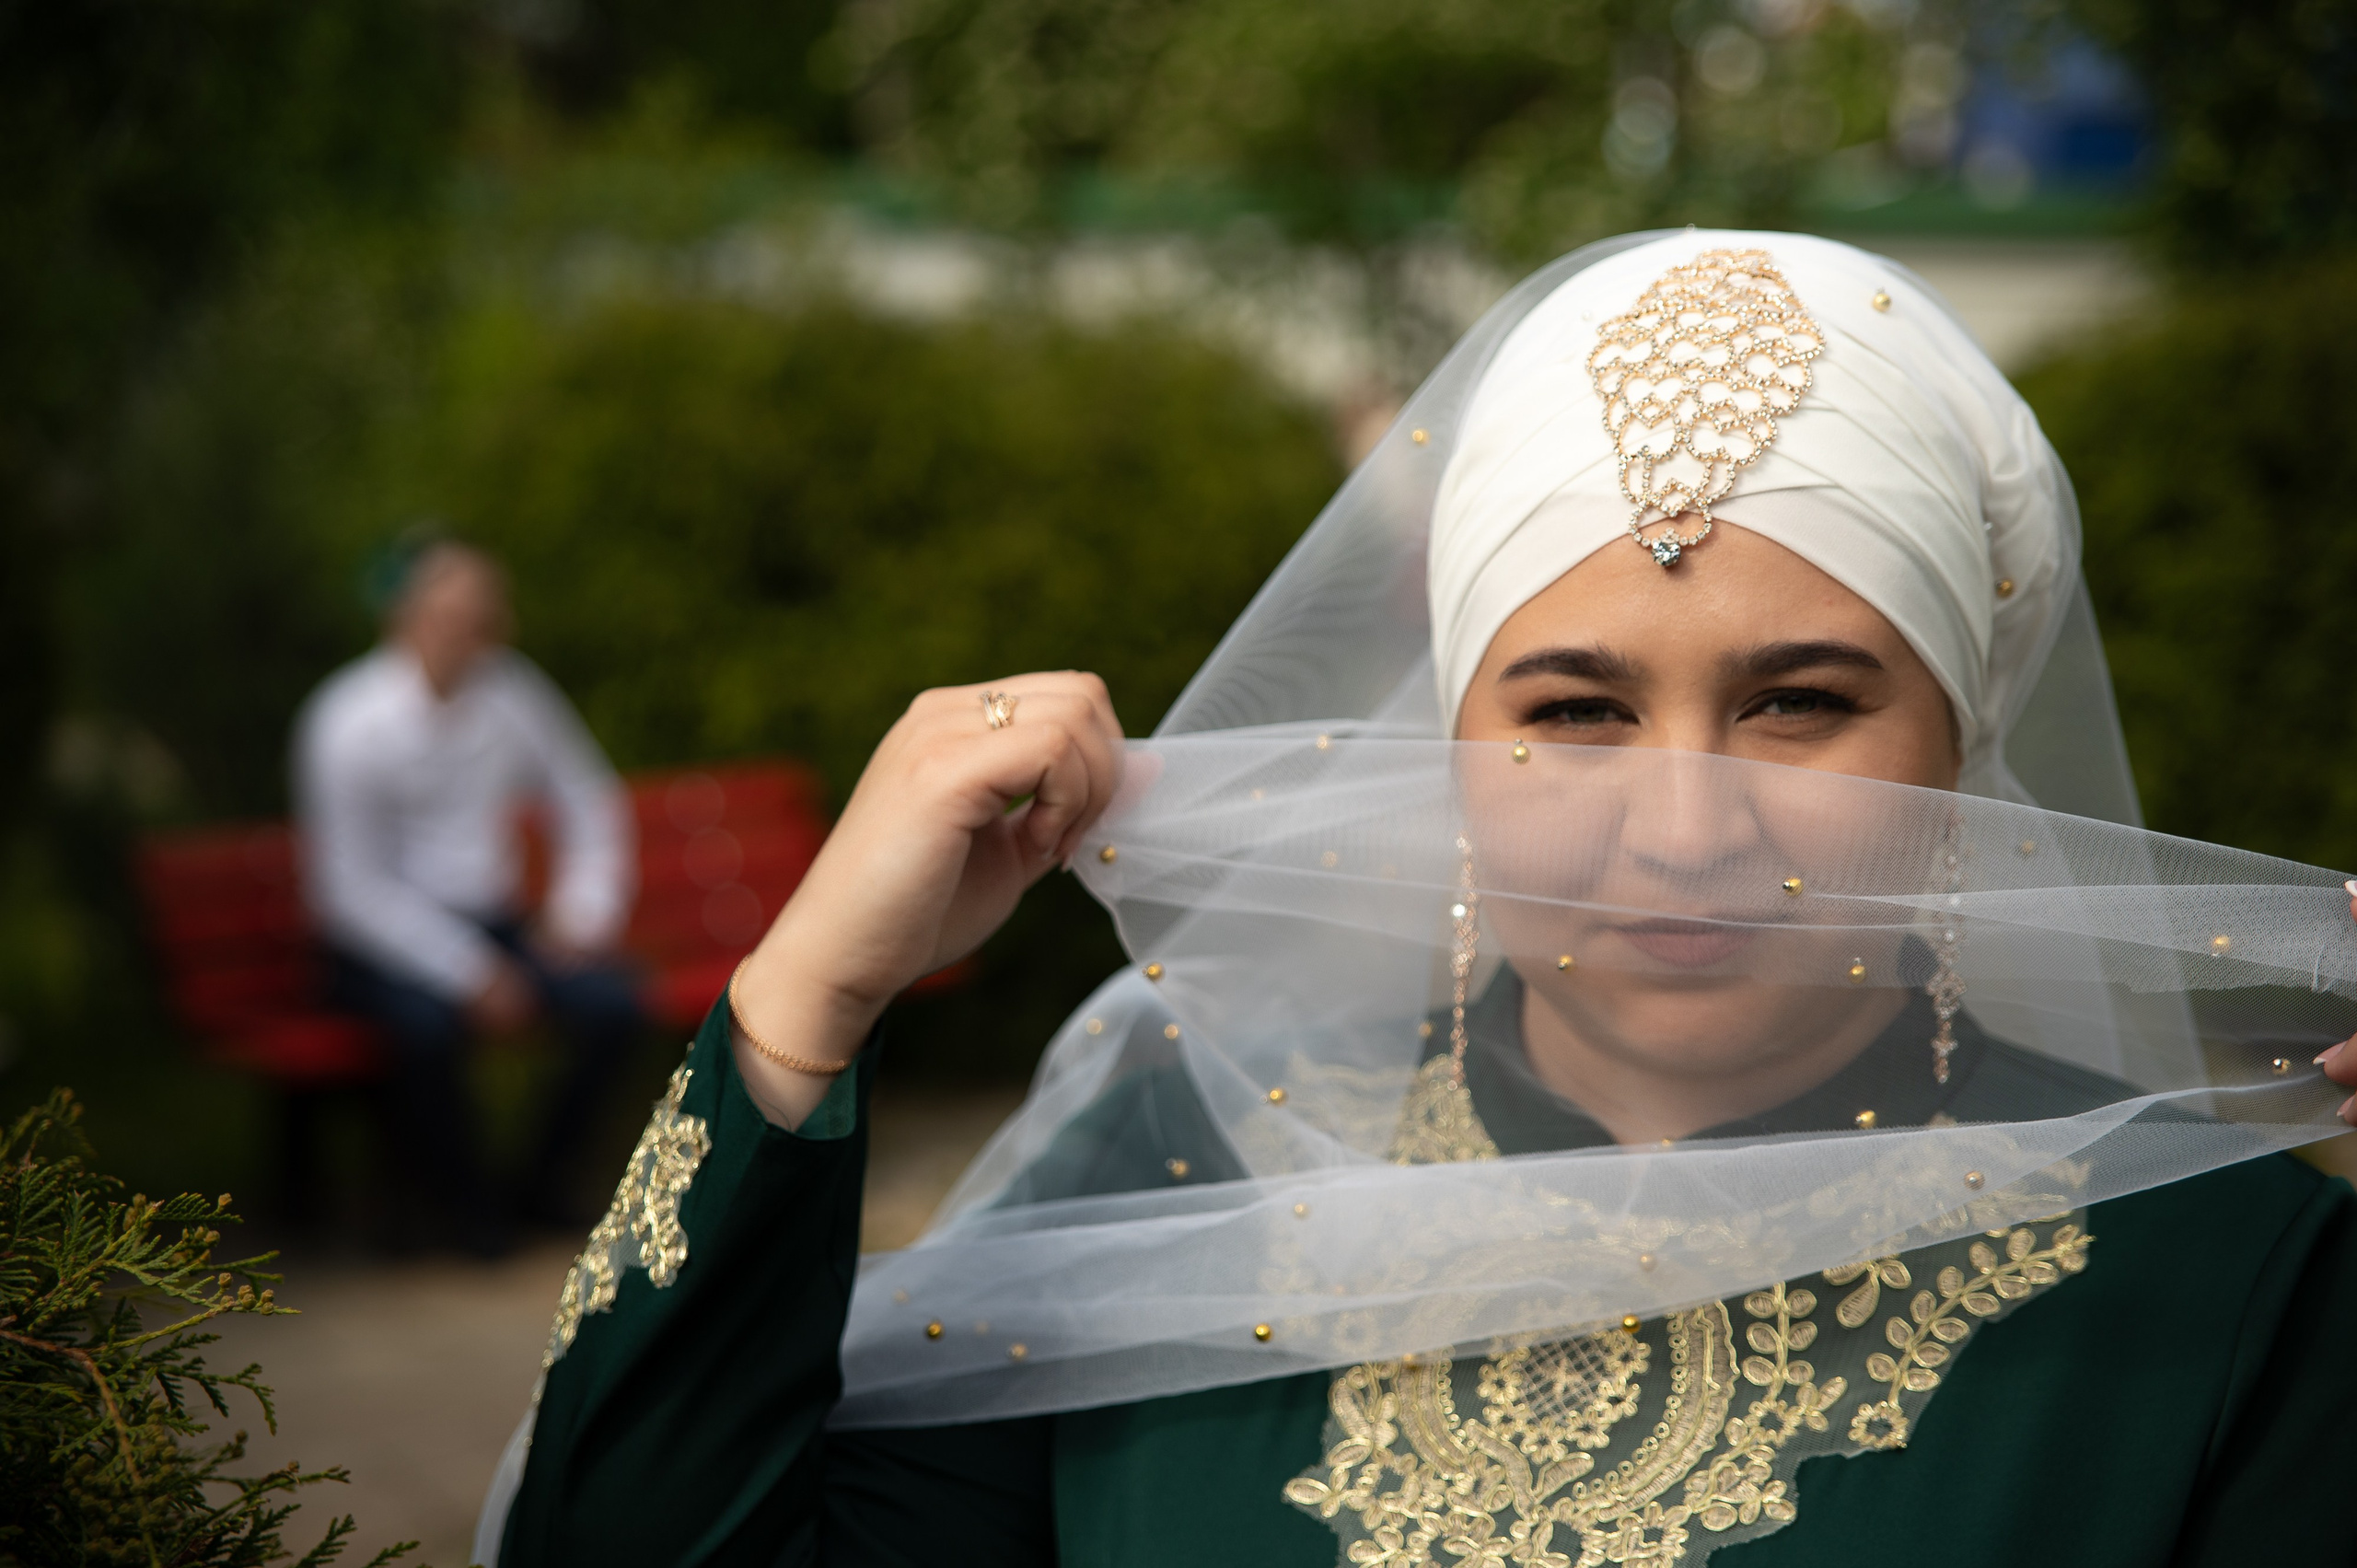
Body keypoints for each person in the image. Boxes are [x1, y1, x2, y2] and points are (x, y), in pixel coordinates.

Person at [484, 234, 2357, 1565]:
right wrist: (808, 1000)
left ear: (1958, 745)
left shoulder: (2231, 1285)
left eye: (1798, 702)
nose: (1683, 828)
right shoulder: (1187, 1165)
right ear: (1445, 742)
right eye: (1575, 711)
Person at [295, 540, 644, 1256]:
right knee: (425, 1031)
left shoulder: (514, 692)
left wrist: (582, 913)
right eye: (456, 615)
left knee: (613, 1007)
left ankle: (537, 1187)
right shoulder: (345, 718)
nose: (477, 633)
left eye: (486, 617)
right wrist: (469, 970)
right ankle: (465, 1212)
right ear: (407, 617)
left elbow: (589, 798)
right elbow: (348, 890)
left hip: (496, 926)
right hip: (377, 946)